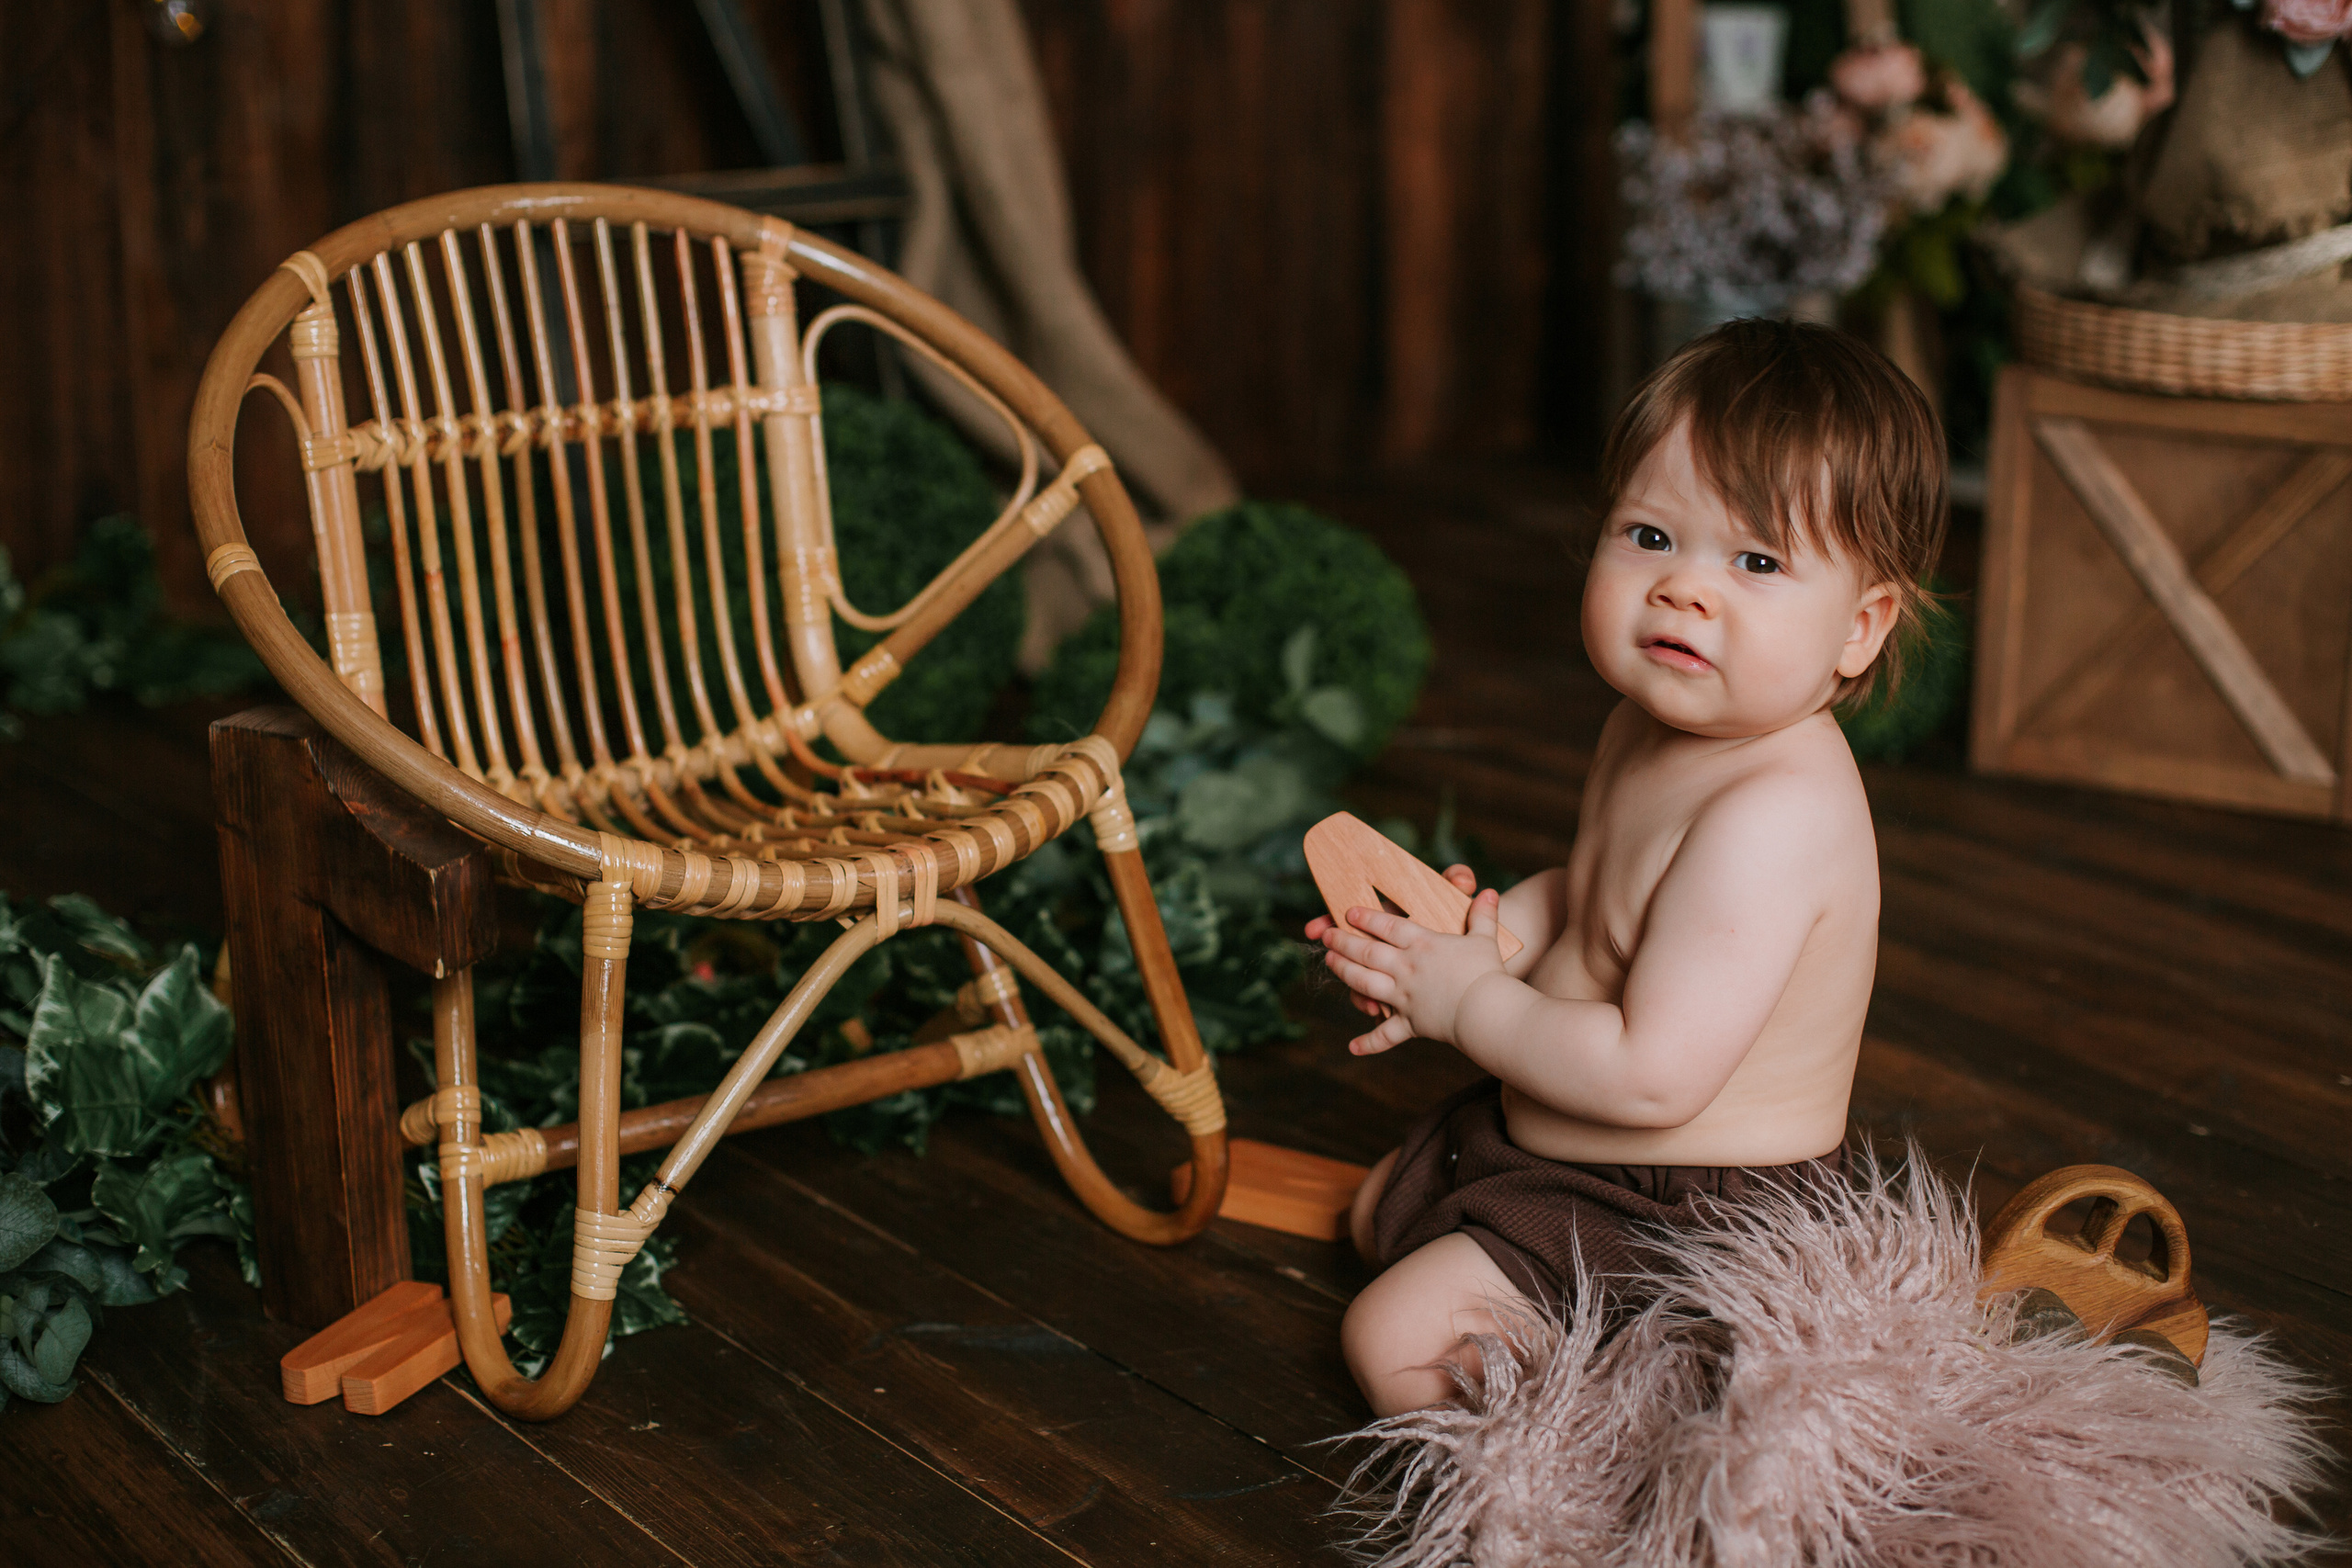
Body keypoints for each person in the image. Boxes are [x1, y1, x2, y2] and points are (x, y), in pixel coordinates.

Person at [1311, 320, 1949, 1416]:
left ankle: (1607, 1448)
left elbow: (1653, 1075)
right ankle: (1543, 1325)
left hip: (1688, 1211)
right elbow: (1601, 893)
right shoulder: (1648, 726)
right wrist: (1485, 935)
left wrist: (1468, 1005)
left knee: (1391, 1333)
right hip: (1570, 1157)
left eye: (1755, 561)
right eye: (1649, 537)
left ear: (1861, 627)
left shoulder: (1775, 812)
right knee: (1379, 1212)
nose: (1683, 591)